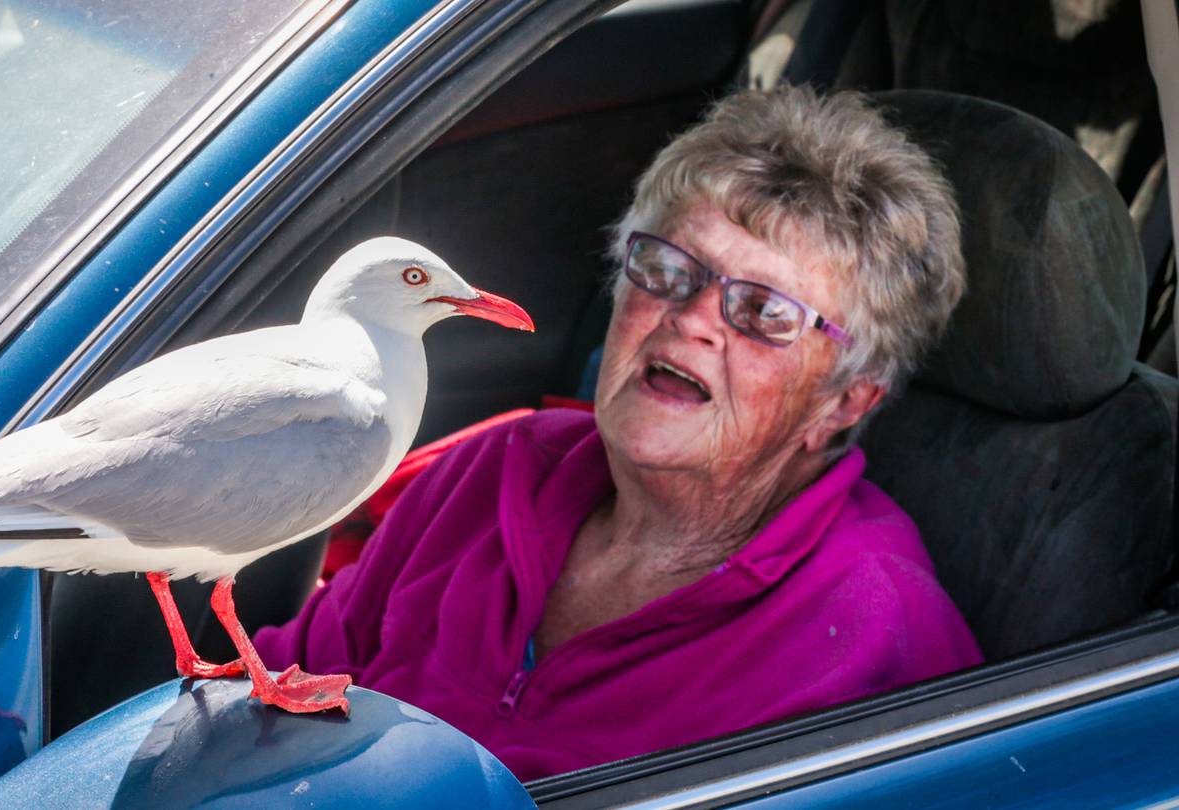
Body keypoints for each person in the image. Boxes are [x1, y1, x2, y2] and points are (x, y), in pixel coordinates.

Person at [253, 85, 983, 781]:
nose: (692, 318)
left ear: (845, 400)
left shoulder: (877, 638)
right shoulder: (494, 470)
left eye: (763, 313)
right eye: (668, 269)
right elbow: (273, 698)